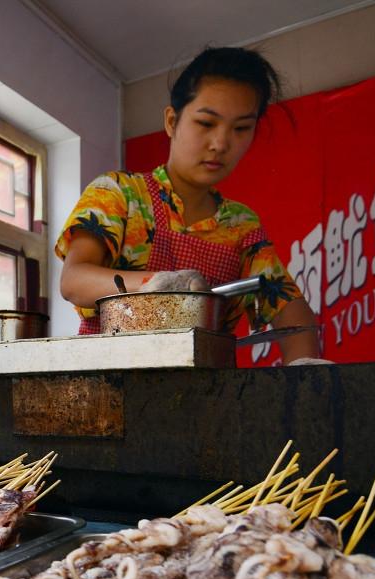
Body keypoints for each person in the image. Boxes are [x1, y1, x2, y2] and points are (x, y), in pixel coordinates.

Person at [57, 46, 324, 364]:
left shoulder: (241, 226)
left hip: (208, 400)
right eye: (206, 123)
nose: (220, 144)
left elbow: (292, 315)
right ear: (172, 121)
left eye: (240, 129)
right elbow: (74, 280)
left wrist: (307, 376)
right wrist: (154, 286)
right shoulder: (119, 194)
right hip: (108, 389)